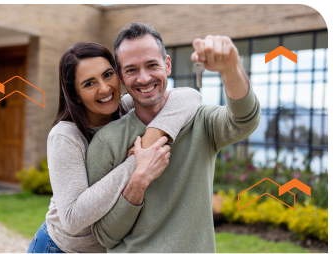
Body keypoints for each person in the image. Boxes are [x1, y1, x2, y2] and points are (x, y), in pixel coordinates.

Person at [86, 22, 261, 253]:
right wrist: (139, 181)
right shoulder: (106, 142)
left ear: (167, 65)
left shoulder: (201, 122)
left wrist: (230, 69)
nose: (144, 78)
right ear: (120, 76)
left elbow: (244, 121)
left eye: (152, 65)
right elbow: (106, 236)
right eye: (131, 70)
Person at [27, 41, 202, 254]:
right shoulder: (65, 135)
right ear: (74, 95)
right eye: (89, 83)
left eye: (108, 75)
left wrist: (151, 136)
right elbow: (72, 218)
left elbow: (189, 96)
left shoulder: (124, 108)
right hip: (61, 249)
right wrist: (137, 162)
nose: (104, 88)